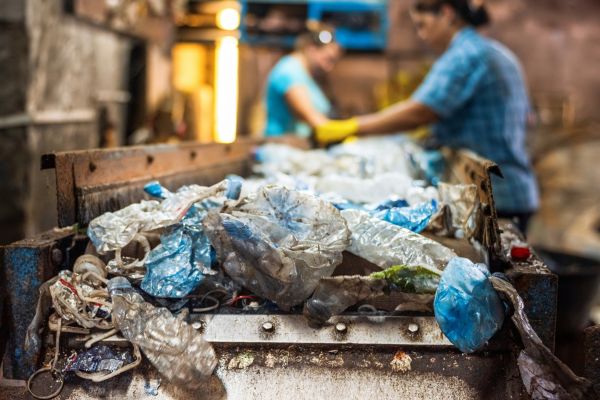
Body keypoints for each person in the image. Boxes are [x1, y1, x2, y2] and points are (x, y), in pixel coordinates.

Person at [315, 0, 539, 233]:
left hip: (497, 197)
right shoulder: (493, 51)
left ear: (446, 12)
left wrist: (352, 127)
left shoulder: (465, 54)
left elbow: (421, 111)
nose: (421, 35)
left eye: (422, 25)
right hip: (511, 187)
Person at [264, 25, 343, 138]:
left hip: (298, 146)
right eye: (328, 59)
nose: (329, 67)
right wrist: (357, 127)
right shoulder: (289, 72)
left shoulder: (308, 75)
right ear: (312, 49)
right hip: (282, 147)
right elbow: (315, 121)